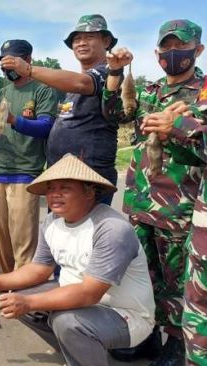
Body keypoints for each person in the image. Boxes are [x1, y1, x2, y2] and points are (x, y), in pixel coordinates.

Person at [0, 153, 155, 366]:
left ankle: (84, 351)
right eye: (50, 188)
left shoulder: (111, 229)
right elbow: (38, 269)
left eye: (65, 188)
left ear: (89, 192)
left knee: (65, 322)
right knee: (15, 299)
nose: (55, 195)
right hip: (79, 297)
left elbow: (90, 293)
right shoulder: (53, 221)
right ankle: (77, 351)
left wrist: (28, 303)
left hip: (124, 314)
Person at [102, 19, 205, 365]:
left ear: (198, 50)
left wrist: (178, 126)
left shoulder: (204, 93)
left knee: (176, 281)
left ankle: (177, 344)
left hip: (180, 206)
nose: (173, 54)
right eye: (167, 47)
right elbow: (116, 113)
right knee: (141, 276)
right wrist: (115, 73)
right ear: (157, 52)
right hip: (140, 201)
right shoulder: (152, 91)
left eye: (181, 47)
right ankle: (145, 337)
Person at [0, 14, 122, 204]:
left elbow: (83, 83)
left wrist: (29, 70)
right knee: (62, 232)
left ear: (106, 41)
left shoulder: (109, 73)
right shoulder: (72, 86)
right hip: (63, 176)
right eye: (77, 39)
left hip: (89, 178)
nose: (81, 43)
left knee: (87, 231)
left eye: (89, 37)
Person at [0, 39, 58, 273]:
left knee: (23, 240)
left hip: (25, 172)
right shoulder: (4, 90)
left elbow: (46, 127)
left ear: (27, 61)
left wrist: (15, 120)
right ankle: (8, 281)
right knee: (0, 237)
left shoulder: (43, 89)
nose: (6, 69)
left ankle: (24, 288)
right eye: (3, 64)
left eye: (11, 63)